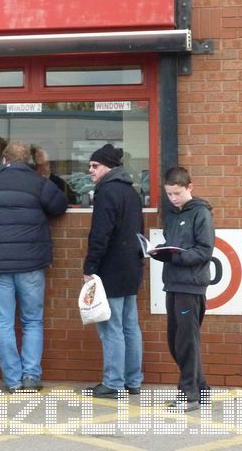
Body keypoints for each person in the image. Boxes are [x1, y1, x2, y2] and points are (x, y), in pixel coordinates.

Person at [0, 142, 67, 393]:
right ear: (27, 160)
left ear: (4, 161)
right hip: (31, 263)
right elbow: (60, 206)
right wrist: (46, 172)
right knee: (32, 320)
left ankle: (13, 380)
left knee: (3, 322)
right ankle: (31, 375)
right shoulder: (38, 183)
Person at [82, 143, 144, 398]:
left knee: (111, 327)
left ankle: (113, 382)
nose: (90, 171)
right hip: (131, 267)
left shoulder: (107, 193)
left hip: (111, 268)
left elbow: (100, 235)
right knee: (130, 326)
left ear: (109, 167)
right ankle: (133, 380)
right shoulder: (131, 192)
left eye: (95, 166)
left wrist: (90, 268)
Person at [152, 166, 214, 412]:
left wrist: (175, 257)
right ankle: (201, 389)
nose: (173, 199)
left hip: (191, 286)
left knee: (187, 342)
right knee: (175, 341)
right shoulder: (173, 215)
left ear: (190, 187)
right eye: (169, 194)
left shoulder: (201, 214)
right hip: (173, 283)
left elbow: (204, 251)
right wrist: (160, 253)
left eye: (177, 193)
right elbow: (173, 245)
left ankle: (189, 395)